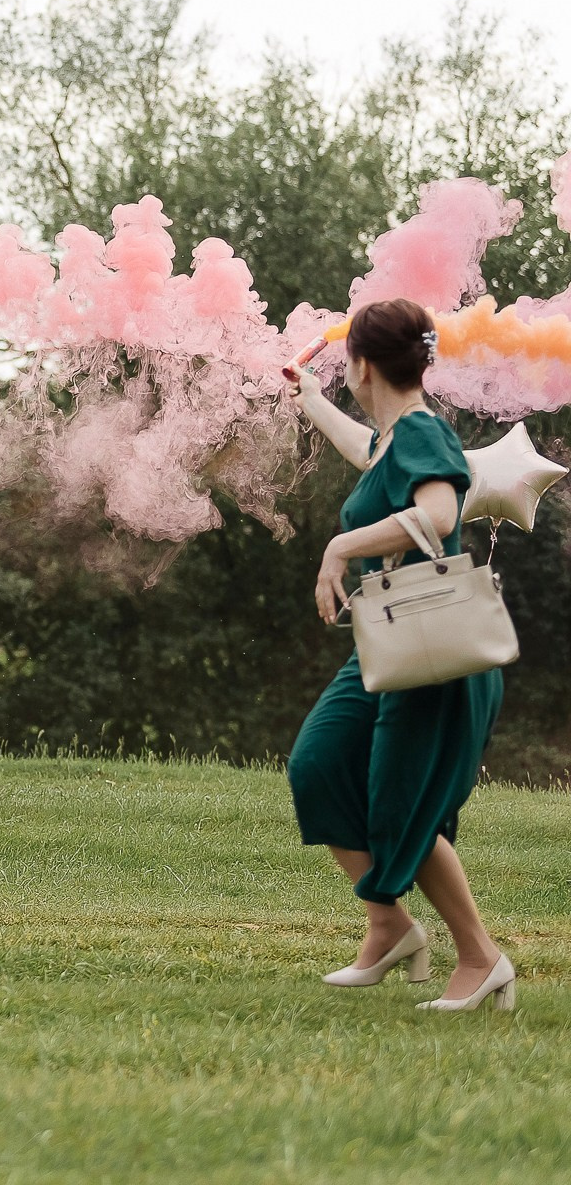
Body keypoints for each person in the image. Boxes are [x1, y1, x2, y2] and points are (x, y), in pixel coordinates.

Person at [289, 297, 514, 1011]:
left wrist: (339, 546)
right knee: (319, 763)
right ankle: (389, 925)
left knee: (400, 806)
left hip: (430, 647)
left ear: (361, 363)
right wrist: (308, 397)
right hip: (385, 642)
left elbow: (440, 516)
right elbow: (366, 452)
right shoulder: (395, 437)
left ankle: (480, 959)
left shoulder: (424, 433)